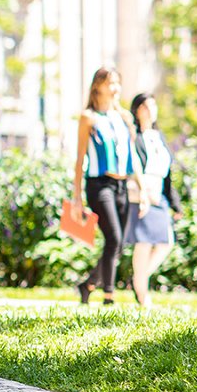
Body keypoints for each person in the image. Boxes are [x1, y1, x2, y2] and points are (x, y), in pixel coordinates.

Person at [71, 67, 149, 305]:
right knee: (113, 238)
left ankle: (87, 285)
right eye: (109, 83)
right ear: (98, 86)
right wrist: (77, 198)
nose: (115, 88)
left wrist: (142, 189)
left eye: (117, 83)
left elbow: (132, 158)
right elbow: (80, 158)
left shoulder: (123, 118)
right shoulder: (89, 117)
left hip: (122, 185)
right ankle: (108, 297)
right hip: (99, 184)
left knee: (119, 242)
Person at [125, 93, 183, 308]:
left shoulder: (158, 137)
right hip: (141, 194)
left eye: (153, 105)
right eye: (146, 106)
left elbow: (167, 174)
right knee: (143, 242)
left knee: (166, 242)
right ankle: (143, 295)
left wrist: (175, 204)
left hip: (159, 195)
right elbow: (134, 165)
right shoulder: (134, 136)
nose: (151, 110)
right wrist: (142, 192)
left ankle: (139, 280)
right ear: (137, 109)